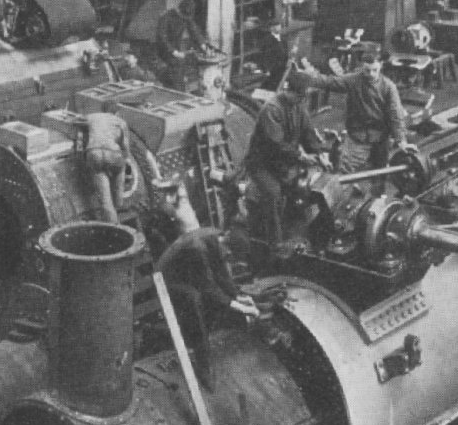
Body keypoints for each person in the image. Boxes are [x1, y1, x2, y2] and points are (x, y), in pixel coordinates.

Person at [156, 227, 259, 388]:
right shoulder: (198, 249)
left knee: (213, 298)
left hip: (185, 274)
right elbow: (208, 288)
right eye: (230, 257)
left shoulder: (216, 238)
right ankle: (204, 363)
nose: (229, 260)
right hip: (165, 281)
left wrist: (237, 296)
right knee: (193, 299)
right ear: (228, 250)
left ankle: (204, 335)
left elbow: (220, 273)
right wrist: (242, 308)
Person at [297, 50, 411, 171]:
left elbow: (395, 115)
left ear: (381, 65)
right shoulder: (353, 80)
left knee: (379, 174)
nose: (371, 74)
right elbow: (329, 82)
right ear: (362, 66)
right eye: (367, 70)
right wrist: (304, 76)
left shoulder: (389, 87)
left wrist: (401, 141)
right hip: (357, 139)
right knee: (346, 172)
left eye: (375, 70)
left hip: (381, 140)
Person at [244, 78, 323, 252]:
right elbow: (276, 144)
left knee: (303, 188)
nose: (302, 101)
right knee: (273, 195)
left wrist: (320, 154)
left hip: (284, 162)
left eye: (303, 98)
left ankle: (298, 230)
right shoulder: (272, 109)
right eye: (299, 97)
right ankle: (274, 244)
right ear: (288, 91)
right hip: (262, 164)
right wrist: (301, 156)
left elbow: (308, 133)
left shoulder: (298, 105)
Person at [79, 109, 133, 224]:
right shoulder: (120, 121)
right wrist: (126, 159)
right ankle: (119, 203)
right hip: (113, 154)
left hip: (94, 154)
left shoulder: (92, 116)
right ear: (116, 112)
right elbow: (125, 146)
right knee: (120, 170)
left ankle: (111, 214)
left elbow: (77, 122)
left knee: (105, 201)